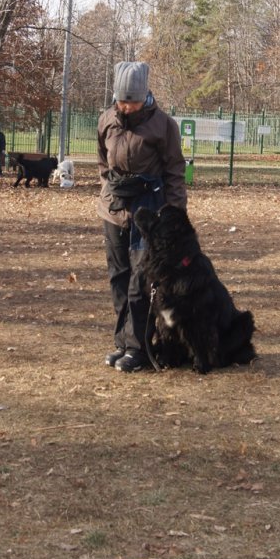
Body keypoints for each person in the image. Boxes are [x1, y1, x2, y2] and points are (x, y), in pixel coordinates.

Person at [97, 61, 187, 373]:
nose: (127, 106)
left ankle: (139, 348)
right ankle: (122, 343)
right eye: (122, 100)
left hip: (148, 213)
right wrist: (111, 189)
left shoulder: (163, 125)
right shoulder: (107, 120)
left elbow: (175, 170)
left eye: (132, 101)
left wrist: (172, 215)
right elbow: (101, 161)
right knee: (118, 278)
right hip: (113, 209)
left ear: (145, 96)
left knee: (140, 282)